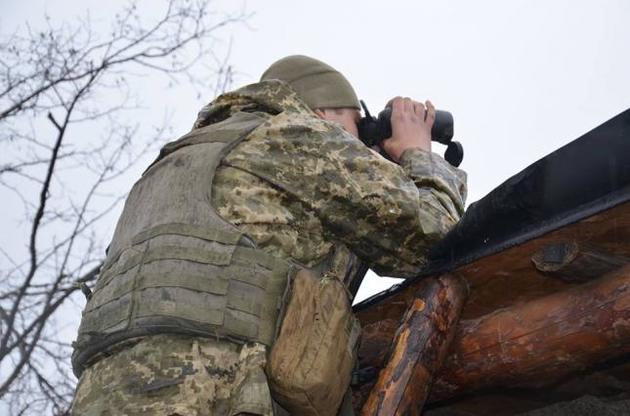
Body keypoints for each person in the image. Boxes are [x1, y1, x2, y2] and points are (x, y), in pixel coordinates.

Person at [70, 55, 467, 415]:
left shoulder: (170, 167)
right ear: (322, 112)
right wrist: (420, 154)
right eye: (355, 125)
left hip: (105, 394)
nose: (361, 144)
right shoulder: (296, 135)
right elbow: (433, 236)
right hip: (214, 390)